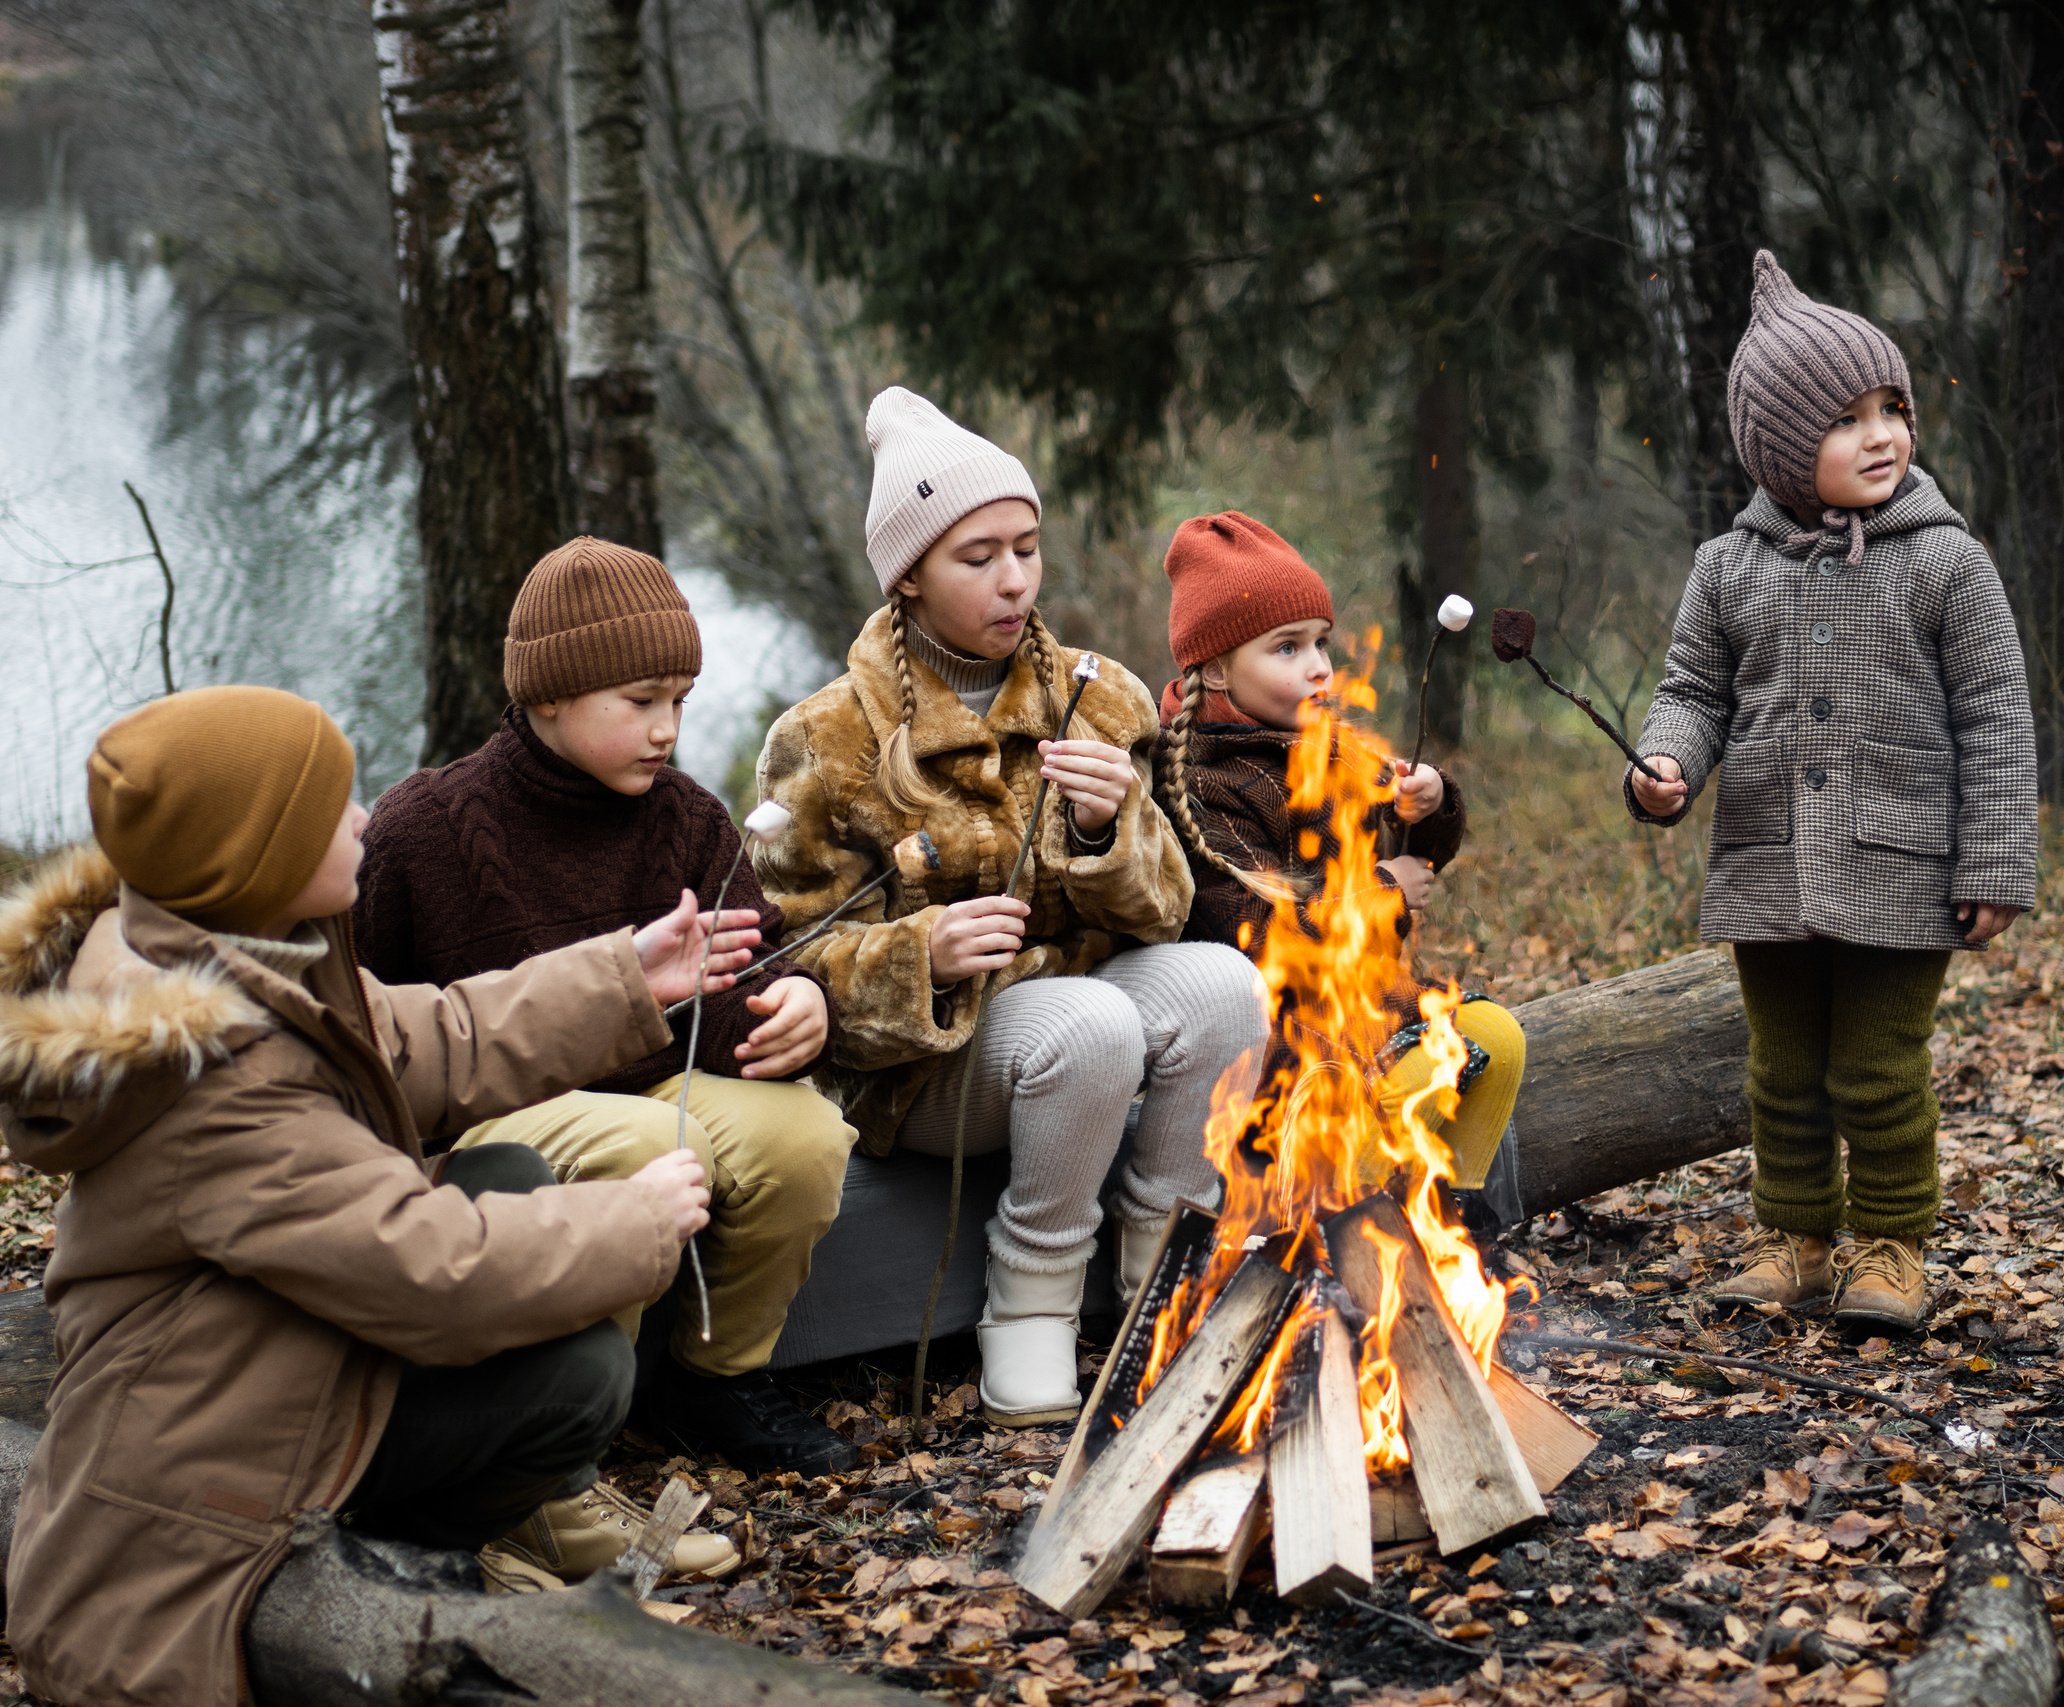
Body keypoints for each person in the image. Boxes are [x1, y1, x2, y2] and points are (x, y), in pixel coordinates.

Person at [0, 686, 743, 1707]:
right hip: (189, 1506)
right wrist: (639, 1219)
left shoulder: (245, 949)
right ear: (258, 853)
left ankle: (408, 1545)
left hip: (255, 1375)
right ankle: (382, 1566)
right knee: (578, 1374)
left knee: (507, 1175)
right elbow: (436, 1270)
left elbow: (431, 1039)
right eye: (329, 808)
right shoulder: (219, 1081)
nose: (361, 818)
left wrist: (624, 978)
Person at [754, 388, 1266, 1428]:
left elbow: (1168, 914)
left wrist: (1106, 830)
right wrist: (921, 952)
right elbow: (783, 956)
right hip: (925, 1070)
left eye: (1026, 549)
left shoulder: (1101, 695)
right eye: (977, 557)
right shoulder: (826, 738)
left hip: (1081, 1026)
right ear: (908, 574)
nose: (1015, 579)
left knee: (1223, 985)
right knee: (1090, 1021)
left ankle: (1166, 1273)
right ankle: (1032, 1296)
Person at [353, 537, 859, 1480]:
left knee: (805, 1136)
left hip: (655, 1086)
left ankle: (716, 1375)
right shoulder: (421, 830)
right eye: (640, 702)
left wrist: (800, 1002)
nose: (667, 729)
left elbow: (741, 978)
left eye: (681, 701)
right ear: (549, 694)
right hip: (487, 1114)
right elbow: (367, 1024)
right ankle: (568, 1413)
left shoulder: (688, 818)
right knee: (649, 1141)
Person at [1625, 251, 2038, 1335]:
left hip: (1902, 867)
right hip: (1767, 860)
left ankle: (1892, 1246)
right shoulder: (1728, 567)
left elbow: (1996, 715)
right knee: (1781, 1073)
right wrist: (1667, 766)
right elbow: (1693, 692)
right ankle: (1797, 1240)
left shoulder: (1947, 563)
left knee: (1875, 1069)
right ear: (1779, 447)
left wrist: (1995, 863)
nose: (1882, 434)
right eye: (1847, 420)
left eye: (1891, 408)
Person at [1148, 512, 1525, 1223]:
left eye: (1320, 641)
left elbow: (1424, 849)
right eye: (1287, 647)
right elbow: (1261, 932)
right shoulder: (1198, 782)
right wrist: (1385, 892)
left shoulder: (1330, 745)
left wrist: (1430, 803)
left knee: (1497, 1039)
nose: (1320, 665)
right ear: (1217, 667)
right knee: (1423, 1065)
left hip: (1364, 1001)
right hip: (1280, 1040)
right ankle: (1332, 1234)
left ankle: (1451, 1230)